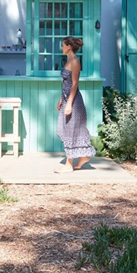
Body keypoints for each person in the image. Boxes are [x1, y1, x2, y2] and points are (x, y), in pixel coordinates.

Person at [55, 37, 95, 173]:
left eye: (63, 45)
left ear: (69, 47)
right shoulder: (69, 61)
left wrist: (69, 104)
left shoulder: (75, 62)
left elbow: (74, 84)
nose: (61, 48)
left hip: (74, 101)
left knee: (70, 131)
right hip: (66, 99)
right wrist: (61, 99)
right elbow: (65, 84)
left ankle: (69, 164)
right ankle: (84, 156)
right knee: (62, 130)